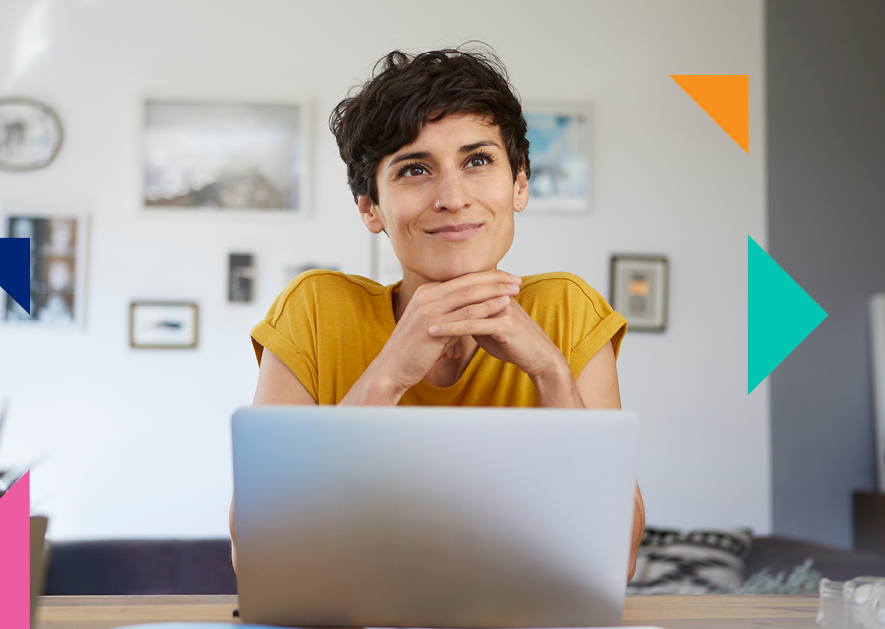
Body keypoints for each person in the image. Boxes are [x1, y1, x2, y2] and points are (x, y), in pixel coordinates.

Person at [231, 45, 645, 581]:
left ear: (519, 184)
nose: (452, 197)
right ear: (370, 207)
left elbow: (618, 560)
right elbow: (259, 555)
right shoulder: (315, 311)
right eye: (414, 169)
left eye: (477, 161)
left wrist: (551, 374)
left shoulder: (567, 310)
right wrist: (388, 375)